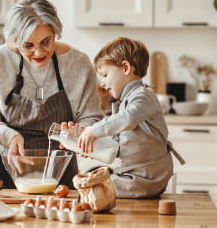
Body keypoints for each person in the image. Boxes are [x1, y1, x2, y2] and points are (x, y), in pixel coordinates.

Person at [0, 0, 102, 188]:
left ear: (55, 33)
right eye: (28, 46)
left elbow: (92, 116)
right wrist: (10, 136)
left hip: (62, 175)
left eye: (46, 42)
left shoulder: (78, 63)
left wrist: (80, 131)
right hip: (9, 170)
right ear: (14, 40)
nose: (38, 53)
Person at [77, 37, 185, 198]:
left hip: (146, 178)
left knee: (92, 189)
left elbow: (126, 119)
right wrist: (92, 146)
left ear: (126, 68)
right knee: (89, 178)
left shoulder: (143, 96)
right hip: (133, 173)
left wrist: (94, 130)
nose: (103, 83)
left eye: (105, 75)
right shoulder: (125, 101)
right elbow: (119, 144)